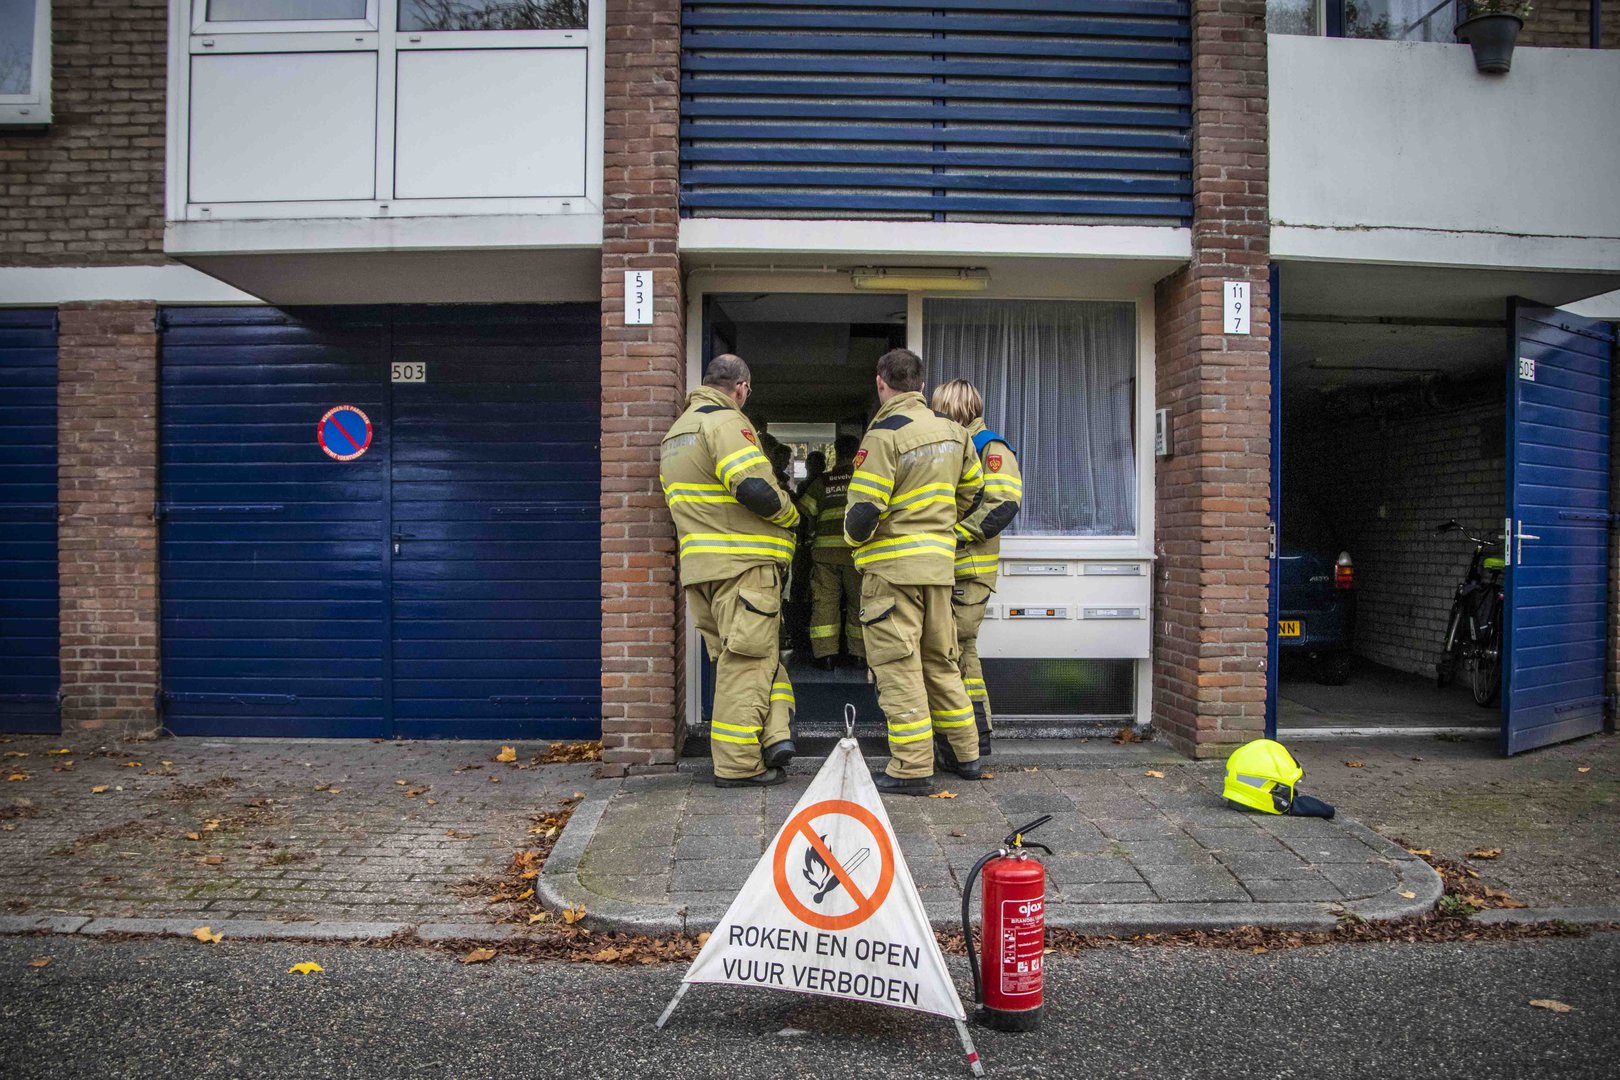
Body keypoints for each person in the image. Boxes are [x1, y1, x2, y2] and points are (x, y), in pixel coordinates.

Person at [843, 349, 986, 795]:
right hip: (939, 570)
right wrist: (939, 526)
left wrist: (856, 541)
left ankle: (911, 768)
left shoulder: (883, 435)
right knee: (941, 664)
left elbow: (863, 512)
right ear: (922, 385)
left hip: (893, 574)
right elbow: (976, 493)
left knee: (898, 668)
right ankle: (967, 755)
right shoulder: (954, 432)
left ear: (881, 383)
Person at [660, 355, 799, 787]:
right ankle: (738, 765)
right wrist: (792, 514)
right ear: (741, 388)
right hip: (743, 567)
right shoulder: (725, 423)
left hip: (703, 570)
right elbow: (754, 487)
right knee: (748, 665)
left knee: (746, 660)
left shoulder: (675, 434)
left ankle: (775, 737)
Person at [931, 379, 1023, 758]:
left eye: (940, 409)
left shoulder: (989, 447)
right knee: (958, 650)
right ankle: (970, 736)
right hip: (953, 569)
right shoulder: (960, 445)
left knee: (955, 649)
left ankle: (969, 736)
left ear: (955, 409)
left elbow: (1005, 502)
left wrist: (954, 536)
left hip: (968, 570)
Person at [798, 435, 864, 670]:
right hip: (855, 555)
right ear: (856, 451)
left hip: (825, 555)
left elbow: (805, 512)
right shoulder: (862, 478)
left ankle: (825, 656)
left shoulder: (823, 481)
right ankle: (858, 656)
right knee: (859, 604)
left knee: (825, 604)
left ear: (836, 452)